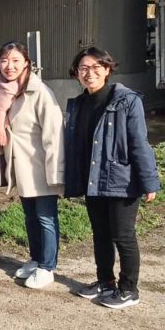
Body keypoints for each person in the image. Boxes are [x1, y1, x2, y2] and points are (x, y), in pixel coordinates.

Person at [64, 46, 159, 308]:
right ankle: (105, 282)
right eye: (84, 68)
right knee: (100, 234)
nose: (90, 73)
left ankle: (129, 289)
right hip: (93, 179)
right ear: (77, 74)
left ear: (107, 70)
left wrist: (149, 181)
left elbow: (139, 142)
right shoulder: (79, 103)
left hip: (121, 180)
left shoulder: (127, 100)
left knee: (123, 235)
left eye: (96, 67)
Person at [0, 42, 65, 289]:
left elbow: (55, 134)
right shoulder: (4, 91)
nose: (9, 66)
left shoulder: (40, 92)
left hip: (42, 167)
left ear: (26, 62)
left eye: (15, 60)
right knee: (30, 217)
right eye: (4, 60)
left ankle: (48, 267)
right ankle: (36, 259)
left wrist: (57, 171)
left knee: (46, 217)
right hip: (22, 168)